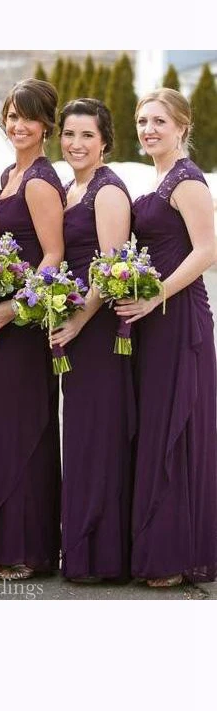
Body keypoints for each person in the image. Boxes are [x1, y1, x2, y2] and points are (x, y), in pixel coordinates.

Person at [116, 88, 217, 587]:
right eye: (142, 121)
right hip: (152, 317)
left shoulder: (187, 179)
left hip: (179, 317)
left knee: (177, 424)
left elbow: (207, 250)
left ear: (182, 126)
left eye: (159, 121)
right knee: (156, 422)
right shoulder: (156, 177)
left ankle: (176, 554)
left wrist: (157, 294)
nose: (148, 130)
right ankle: (158, 544)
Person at [0, 79, 65, 581]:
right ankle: (12, 541)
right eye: (11, 115)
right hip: (1, 324)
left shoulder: (39, 181)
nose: (17, 125)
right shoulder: (11, 173)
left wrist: (13, 307)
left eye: (28, 117)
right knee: (4, 426)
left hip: (25, 324)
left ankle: (27, 548)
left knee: (24, 427)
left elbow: (53, 254)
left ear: (46, 124)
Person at [51, 98, 135, 582]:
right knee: (81, 434)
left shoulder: (107, 191)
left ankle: (102, 556)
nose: (76, 143)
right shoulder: (70, 188)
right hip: (76, 327)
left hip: (100, 330)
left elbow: (110, 266)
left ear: (104, 141)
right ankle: (81, 548)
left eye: (87, 135)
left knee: (99, 434)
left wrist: (79, 321)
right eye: (69, 134)